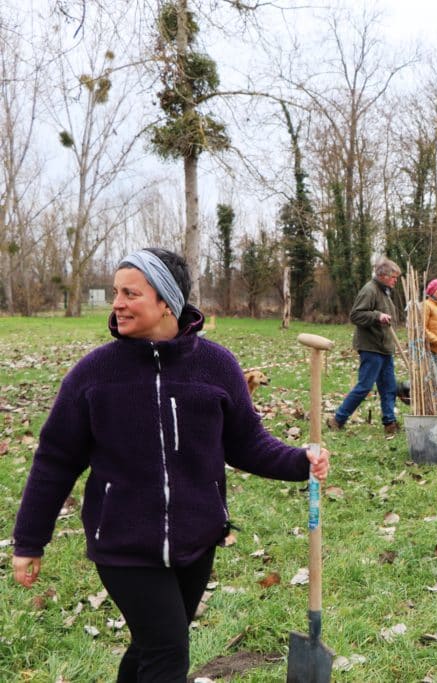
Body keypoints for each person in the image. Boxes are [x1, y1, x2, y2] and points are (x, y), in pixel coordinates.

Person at [11, 247, 330, 682]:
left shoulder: (215, 366)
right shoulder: (94, 375)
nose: (117, 303)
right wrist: (29, 540)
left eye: (131, 293)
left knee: (152, 644)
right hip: (123, 542)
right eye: (116, 292)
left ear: (166, 302)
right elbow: (54, 460)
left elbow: (246, 443)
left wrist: (300, 461)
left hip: (195, 540)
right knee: (168, 651)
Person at [329, 258, 402, 434]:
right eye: (393, 276)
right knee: (364, 386)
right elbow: (356, 315)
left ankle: (389, 423)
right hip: (371, 347)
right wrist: (377, 316)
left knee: (389, 387)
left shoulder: (384, 292)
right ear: (382, 275)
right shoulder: (369, 290)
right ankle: (337, 420)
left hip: (384, 347)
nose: (395, 280)